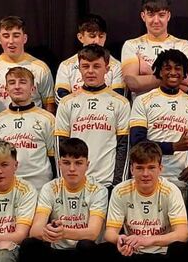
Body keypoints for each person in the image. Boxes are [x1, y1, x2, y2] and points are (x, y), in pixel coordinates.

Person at [55, 44, 131, 187]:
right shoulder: (67, 103)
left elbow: (124, 147)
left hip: (106, 183)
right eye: (85, 66)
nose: (90, 71)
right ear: (79, 68)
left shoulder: (121, 103)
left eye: (96, 66)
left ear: (107, 69)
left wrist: (117, 184)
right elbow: (60, 146)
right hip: (75, 184)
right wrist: (64, 182)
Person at [128, 49, 188, 198]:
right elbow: (137, 143)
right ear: (159, 72)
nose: (173, 72)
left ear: (185, 72)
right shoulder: (143, 101)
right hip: (146, 178)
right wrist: (173, 147)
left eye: (178, 68)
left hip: (179, 181)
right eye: (167, 68)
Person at [0, 67, 57, 190]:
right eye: (12, 83)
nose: (17, 86)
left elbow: (54, 158)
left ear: (33, 89)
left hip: (40, 187)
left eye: (23, 82)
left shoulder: (47, 119)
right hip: (8, 188)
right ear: (6, 89)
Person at [121, 0, 188, 96]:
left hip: (176, 109)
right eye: (151, 15)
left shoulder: (183, 45)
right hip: (142, 110)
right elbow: (132, 83)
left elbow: (186, 84)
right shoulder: (131, 45)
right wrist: (171, 78)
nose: (156, 21)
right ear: (143, 16)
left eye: (161, 15)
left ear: (168, 16)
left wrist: (147, 72)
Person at [0, 16, 56, 114]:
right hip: (1, 126)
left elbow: (49, 106)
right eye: (6, 36)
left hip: (33, 126)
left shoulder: (41, 68)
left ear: (24, 38)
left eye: (16, 35)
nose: (11, 41)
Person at [55, 15, 125, 100]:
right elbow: (60, 96)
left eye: (101, 36)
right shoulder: (66, 65)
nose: (97, 41)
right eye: (92, 36)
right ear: (80, 37)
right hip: (76, 111)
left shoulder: (117, 66)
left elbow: (118, 97)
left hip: (105, 112)